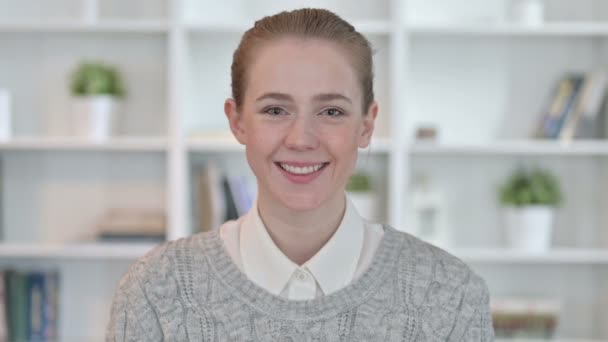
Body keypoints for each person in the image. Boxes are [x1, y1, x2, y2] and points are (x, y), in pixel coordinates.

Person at [106, 8, 494, 341]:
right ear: (237, 121)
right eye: (276, 110)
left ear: (366, 124)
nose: (301, 139)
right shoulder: (156, 291)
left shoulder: (449, 295)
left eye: (331, 112)